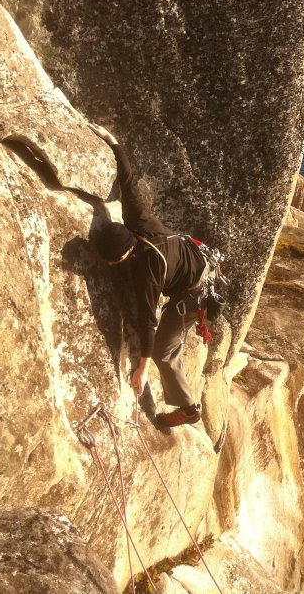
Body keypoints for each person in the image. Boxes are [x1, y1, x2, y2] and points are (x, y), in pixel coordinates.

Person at [88, 123, 205, 428]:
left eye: (114, 263)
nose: (113, 268)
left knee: (165, 351)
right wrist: (114, 143)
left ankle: (190, 409)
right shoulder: (138, 220)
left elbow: (147, 322)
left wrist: (141, 369)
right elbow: (128, 182)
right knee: (171, 342)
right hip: (199, 262)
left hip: (196, 292)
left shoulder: (147, 272)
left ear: (125, 257)